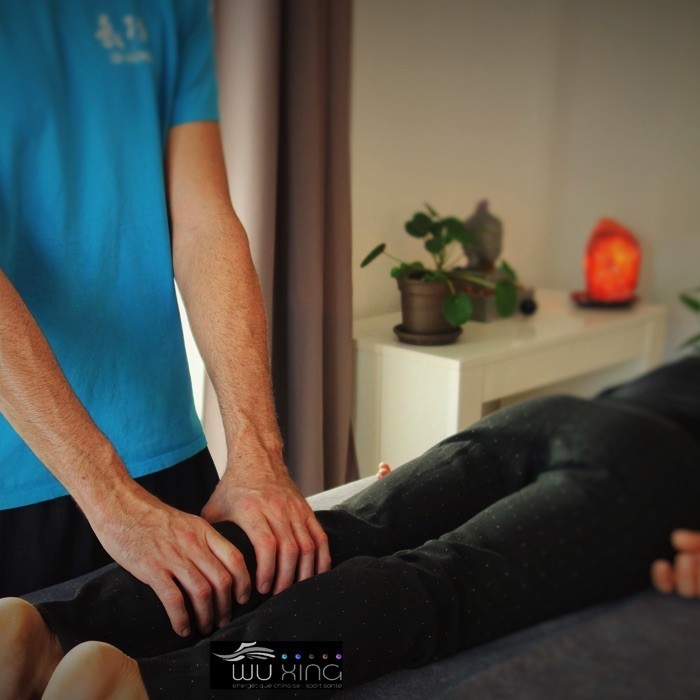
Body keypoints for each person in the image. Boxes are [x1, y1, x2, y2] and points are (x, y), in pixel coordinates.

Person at [1, 357, 699, 699]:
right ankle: (168, 686)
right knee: (435, 591)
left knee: (342, 529)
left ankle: (50, 632)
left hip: (559, 415)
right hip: (657, 469)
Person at [0, 0, 330, 637]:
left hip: (166, 461)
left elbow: (204, 221)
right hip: (19, 485)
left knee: (251, 669)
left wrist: (258, 456)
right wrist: (109, 496)